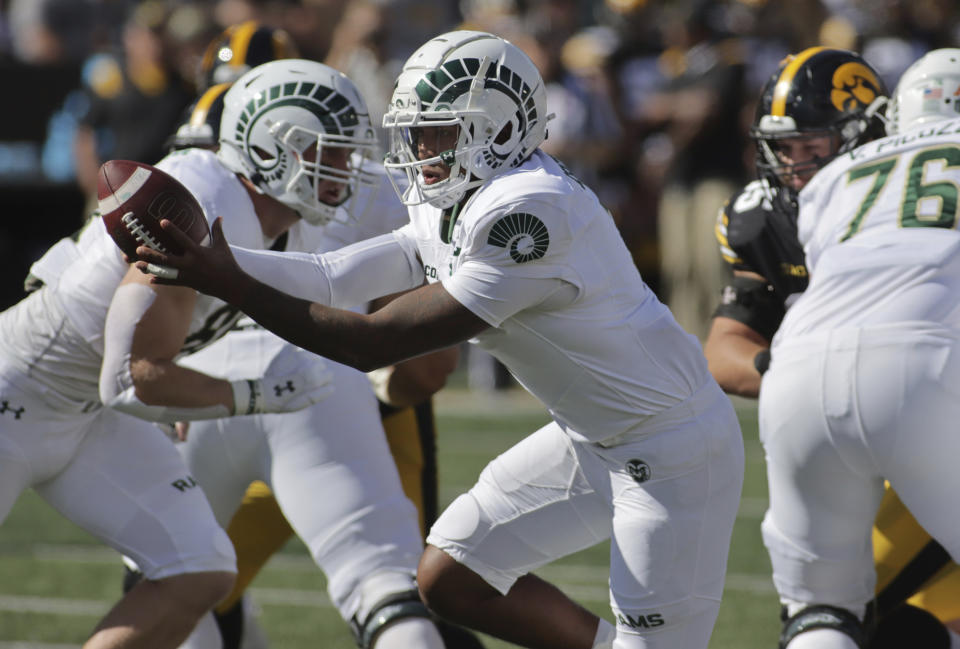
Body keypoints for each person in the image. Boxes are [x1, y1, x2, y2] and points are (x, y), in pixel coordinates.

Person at [130, 30, 745, 649]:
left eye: (437, 131)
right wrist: (213, 259)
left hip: (668, 451)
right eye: (415, 130)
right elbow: (332, 275)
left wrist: (228, 283)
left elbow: (373, 342)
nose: (419, 147)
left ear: (499, 128)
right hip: (589, 435)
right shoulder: (463, 192)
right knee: (451, 578)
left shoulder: (530, 212)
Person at [105, 58, 455, 649]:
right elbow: (122, 373)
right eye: (332, 152)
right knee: (381, 586)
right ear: (272, 147)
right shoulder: (193, 186)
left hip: (203, 391)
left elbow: (127, 372)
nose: (347, 171)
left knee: (173, 586)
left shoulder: (210, 180)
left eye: (348, 151)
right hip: (298, 381)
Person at [704, 46, 960, 647]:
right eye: (784, 150)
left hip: (808, 388)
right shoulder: (780, 205)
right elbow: (724, 345)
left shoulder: (841, 182)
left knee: (822, 609)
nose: (795, 167)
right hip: (927, 381)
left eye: (811, 146)